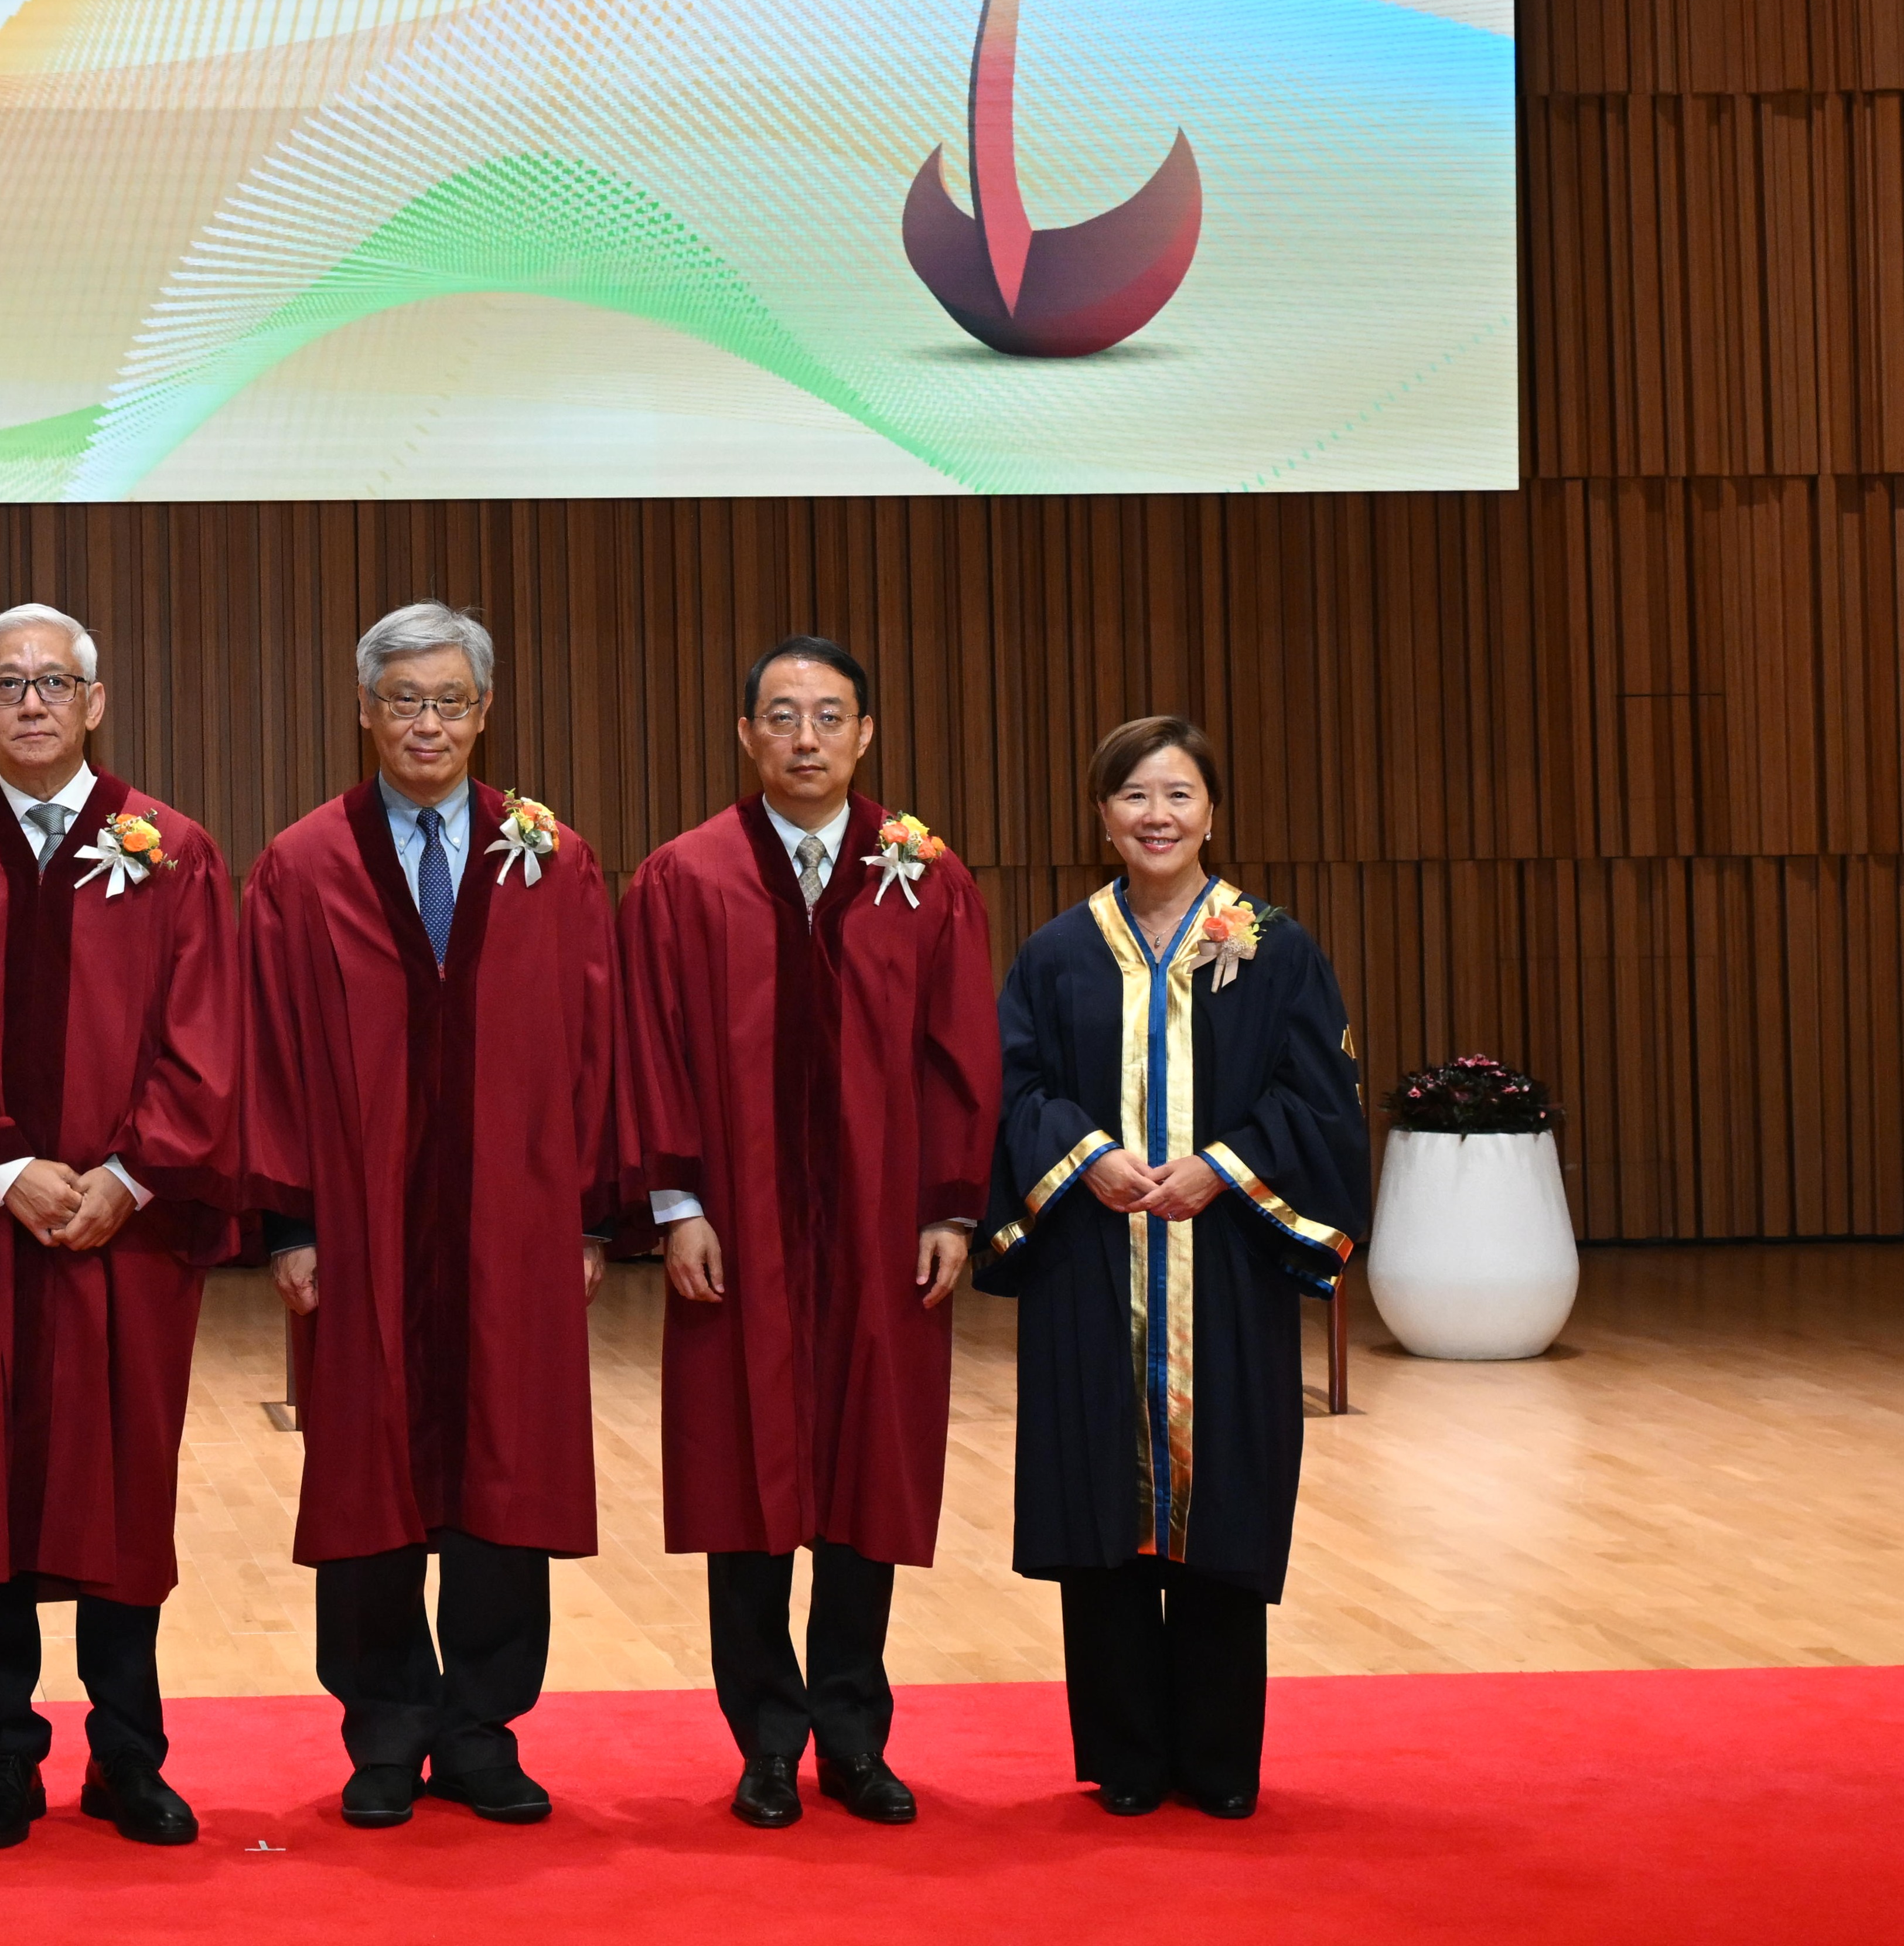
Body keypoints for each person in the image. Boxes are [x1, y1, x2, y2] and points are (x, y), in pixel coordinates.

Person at [0, 602, 243, 1850]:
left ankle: (129, 1756)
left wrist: (126, 1177)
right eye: (6, 684)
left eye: (53, 681)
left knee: (120, 1491)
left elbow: (204, 1035)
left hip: (124, 1238)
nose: (31, 702)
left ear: (95, 702)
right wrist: (6, 1171)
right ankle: (6, 1757)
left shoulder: (173, 851)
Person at [245, 602, 623, 1829]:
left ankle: (480, 1727)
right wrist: (287, 1225)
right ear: (363, 711)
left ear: (483, 712)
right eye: (403, 700)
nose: (426, 722)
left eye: (449, 701)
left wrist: (583, 1220)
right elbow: (270, 1056)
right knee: (367, 1468)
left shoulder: (550, 858)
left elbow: (593, 1051)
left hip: (510, 1223)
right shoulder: (302, 866)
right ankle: (383, 1726)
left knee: (506, 1467)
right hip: (359, 1227)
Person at [619, 635, 998, 1831]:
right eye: (779, 717)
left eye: (828, 717)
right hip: (741, 1235)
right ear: (744, 737)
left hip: (885, 1232)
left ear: (865, 734)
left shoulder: (922, 878)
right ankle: (766, 1742)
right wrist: (676, 1206)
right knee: (749, 1480)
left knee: (865, 1476)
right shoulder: (685, 879)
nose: (804, 739)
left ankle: (852, 1732)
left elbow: (957, 1055)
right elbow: (650, 1050)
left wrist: (950, 1203)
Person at [981, 715, 1365, 1820]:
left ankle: (1216, 1757)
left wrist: (1223, 1169)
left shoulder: (1274, 947)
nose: (1157, 817)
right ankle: (1125, 1758)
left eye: (1179, 797)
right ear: (1100, 815)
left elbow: (1316, 1102)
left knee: (1223, 1507)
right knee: (1103, 1510)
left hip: (1224, 1268)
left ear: (1211, 814)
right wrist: (1086, 1157)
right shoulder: (1057, 953)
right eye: (1134, 797)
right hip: (1092, 1269)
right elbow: (1011, 1089)